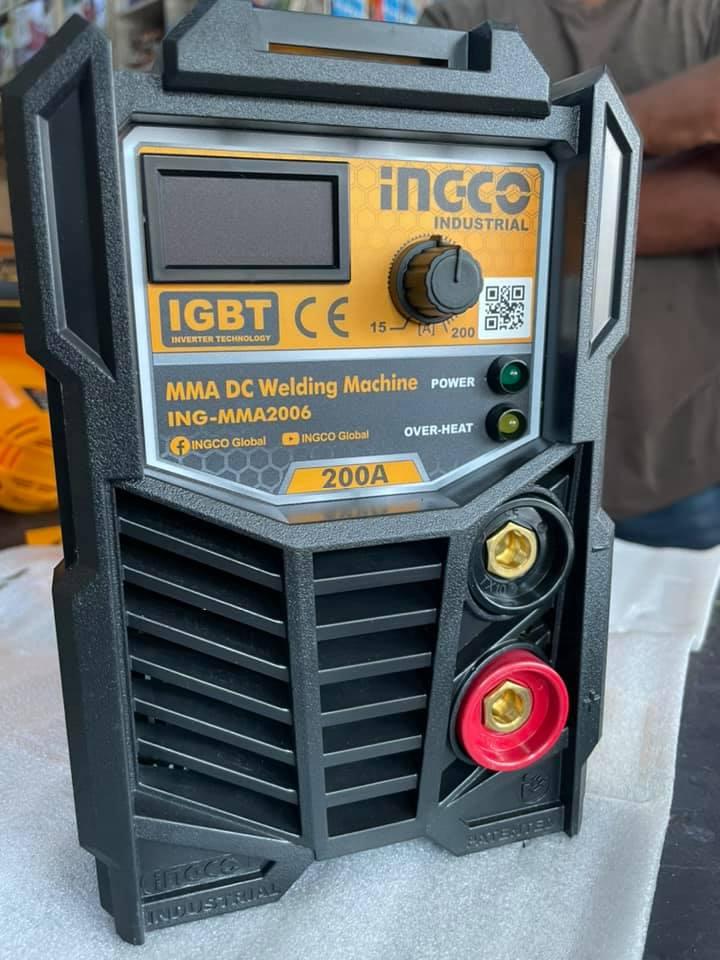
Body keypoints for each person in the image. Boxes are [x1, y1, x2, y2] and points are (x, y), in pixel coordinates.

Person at [420, 0, 720, 550]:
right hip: (491, 459)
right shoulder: (457, 18)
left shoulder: (701, 13)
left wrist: (520, 192)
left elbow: (461, 215)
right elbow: (421, 204)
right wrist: (644, 136)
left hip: (674, 460)